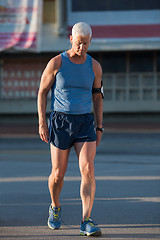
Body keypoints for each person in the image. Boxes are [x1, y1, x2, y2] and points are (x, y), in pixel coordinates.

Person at [37, 22, 103, 237]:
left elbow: (97, 97)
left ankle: (86, 220)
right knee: (58, 174)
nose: (81, 47)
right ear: (71, 39)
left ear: (90, 41)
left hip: (85, 122)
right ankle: (55, 207)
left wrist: (99, 126)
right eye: (78, 43)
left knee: (88, 169)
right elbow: (42, 92)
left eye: (85, 43)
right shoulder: (57, 62)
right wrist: (42, 122)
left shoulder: (95, 66)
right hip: (60, 121)